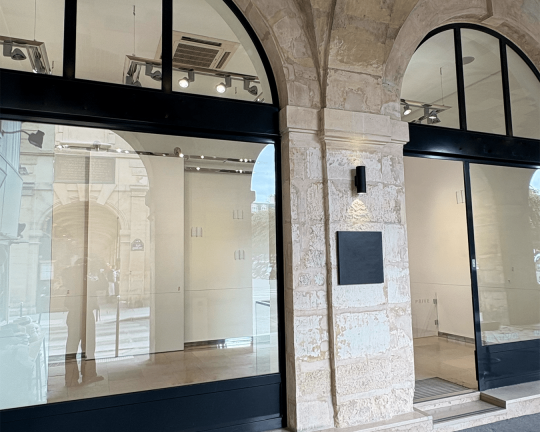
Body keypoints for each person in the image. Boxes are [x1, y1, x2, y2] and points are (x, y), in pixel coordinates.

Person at [61, 258, 104, 386]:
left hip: (74, 315)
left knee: (71, 347)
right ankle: (89, 375)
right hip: (85, 316)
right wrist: (99, 271)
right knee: (88, 346)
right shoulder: (87, 280)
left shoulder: (70, 279)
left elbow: (67, 301)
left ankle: (71, 379)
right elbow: (103, 285)